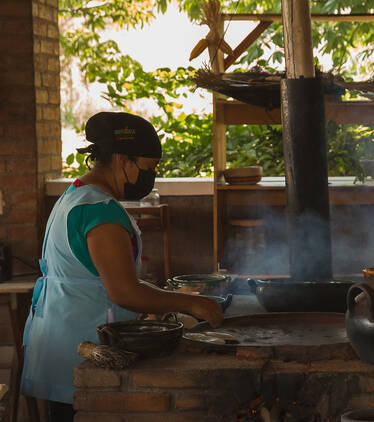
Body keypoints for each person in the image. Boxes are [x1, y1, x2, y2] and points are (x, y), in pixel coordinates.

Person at [20, 112, 223, 422]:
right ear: (122, 160)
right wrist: (194, 303)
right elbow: (125, 292)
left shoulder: (75, 196)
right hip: (83, 347)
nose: (150, 177)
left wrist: (166, 296)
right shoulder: (100, 212)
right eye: (148, 167)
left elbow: (118, 281)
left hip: (62, 337)